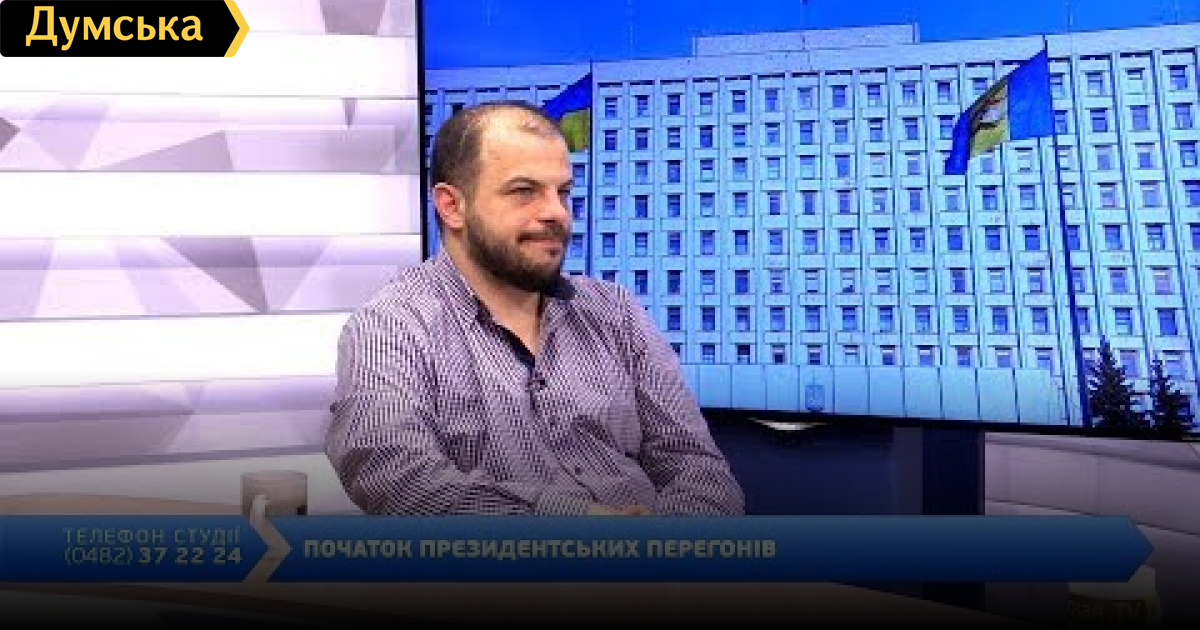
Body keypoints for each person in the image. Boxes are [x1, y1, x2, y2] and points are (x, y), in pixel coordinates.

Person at [325, 100, 745, 516]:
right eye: (524, 191)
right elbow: (399, 479)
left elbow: (696, 465)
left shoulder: (616, 311)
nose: (556, 213)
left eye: (563, 192)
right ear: (452, 206)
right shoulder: (392, 327)